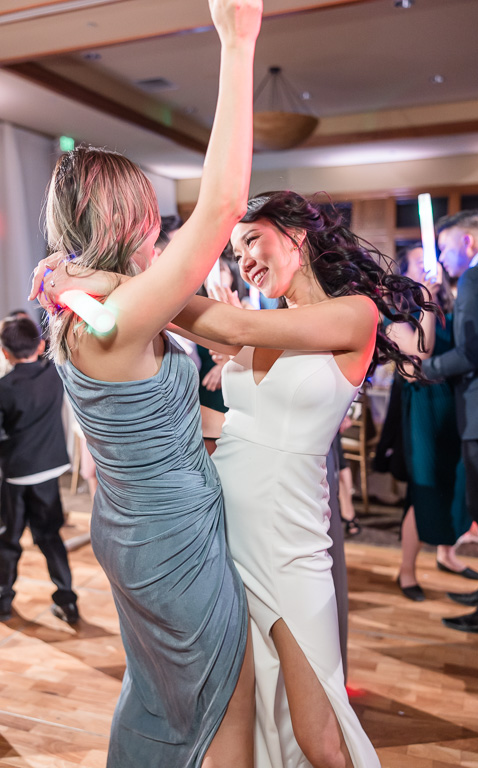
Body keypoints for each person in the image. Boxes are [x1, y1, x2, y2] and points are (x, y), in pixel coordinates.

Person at [30, 1, 262, 765]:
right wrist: (237, 41)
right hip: (168, 542)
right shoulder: (115, 315)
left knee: (166, 699)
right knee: (224, 702)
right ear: (124, 218)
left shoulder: (94, 310)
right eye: (153, 219)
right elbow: (225, 204)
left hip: (141, 527)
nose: (163, 233)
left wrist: (75, 273)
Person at [167, 190, 437, 768]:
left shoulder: (355, 314)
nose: (245, 262)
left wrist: (123, 289)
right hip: (228, 544)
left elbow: (221, 322)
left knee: (319, 741)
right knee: (253, 715)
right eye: (236, 252)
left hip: (289, 550)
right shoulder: (270, 327)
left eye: (252, 241)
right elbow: (230, 417)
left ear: (295, 235)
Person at [422, 211, 478, 633]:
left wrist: (424, 368)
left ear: (467, 243)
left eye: (444, 247)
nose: (441, 257)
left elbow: (471, 353)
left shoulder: (477, 276)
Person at [386, 244, 478, 601]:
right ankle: (406, 571)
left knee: (455, 481)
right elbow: (420, 353)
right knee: (423, 487)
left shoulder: (448, 305)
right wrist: (426, 298)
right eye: (421, 263)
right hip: (422, 408)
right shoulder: (395, 315)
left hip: (453, 405)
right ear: (405, 273)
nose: (432, 267)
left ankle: (447, 555)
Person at [0, 315, 78, 623]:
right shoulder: (53, 374)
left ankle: (3, 600)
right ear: (41, 345)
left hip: (16, 475)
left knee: (8, 538)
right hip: (49, 471)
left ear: (5, 352)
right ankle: (68, 601)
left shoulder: (4, 388)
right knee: (50, 537)